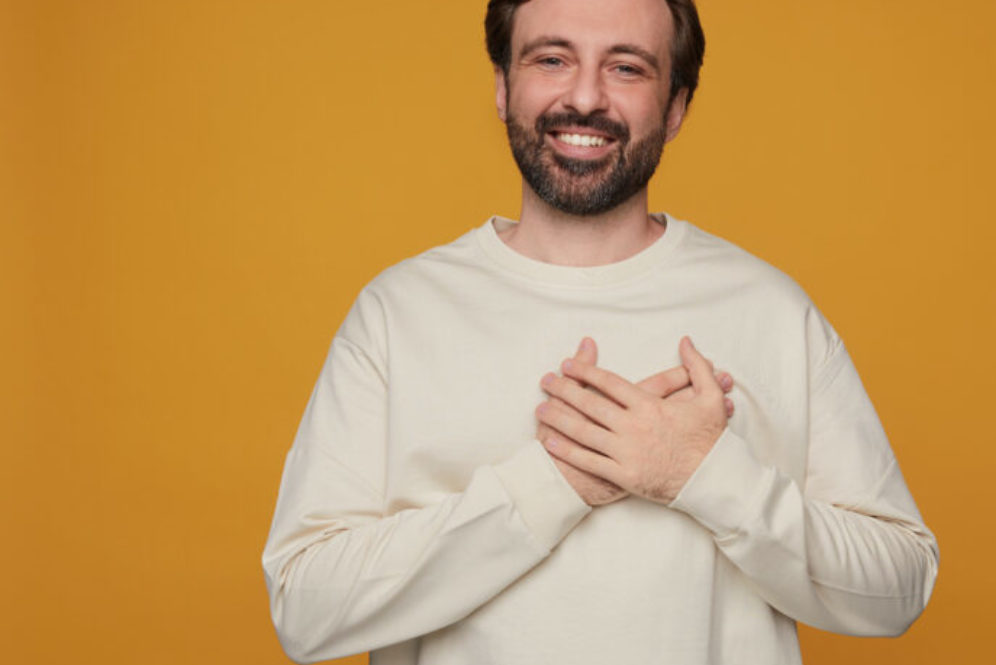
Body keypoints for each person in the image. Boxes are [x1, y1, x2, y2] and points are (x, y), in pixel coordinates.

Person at [261, 0, 939, 663]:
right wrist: (555, 481)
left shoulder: (773, 312)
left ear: (675, 108)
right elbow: (305, 608)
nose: (584, 97)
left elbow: (900, 585)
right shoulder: (397, 314)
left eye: (627, 68)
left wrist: (704, 474)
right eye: (552, 58)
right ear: (502, 85)